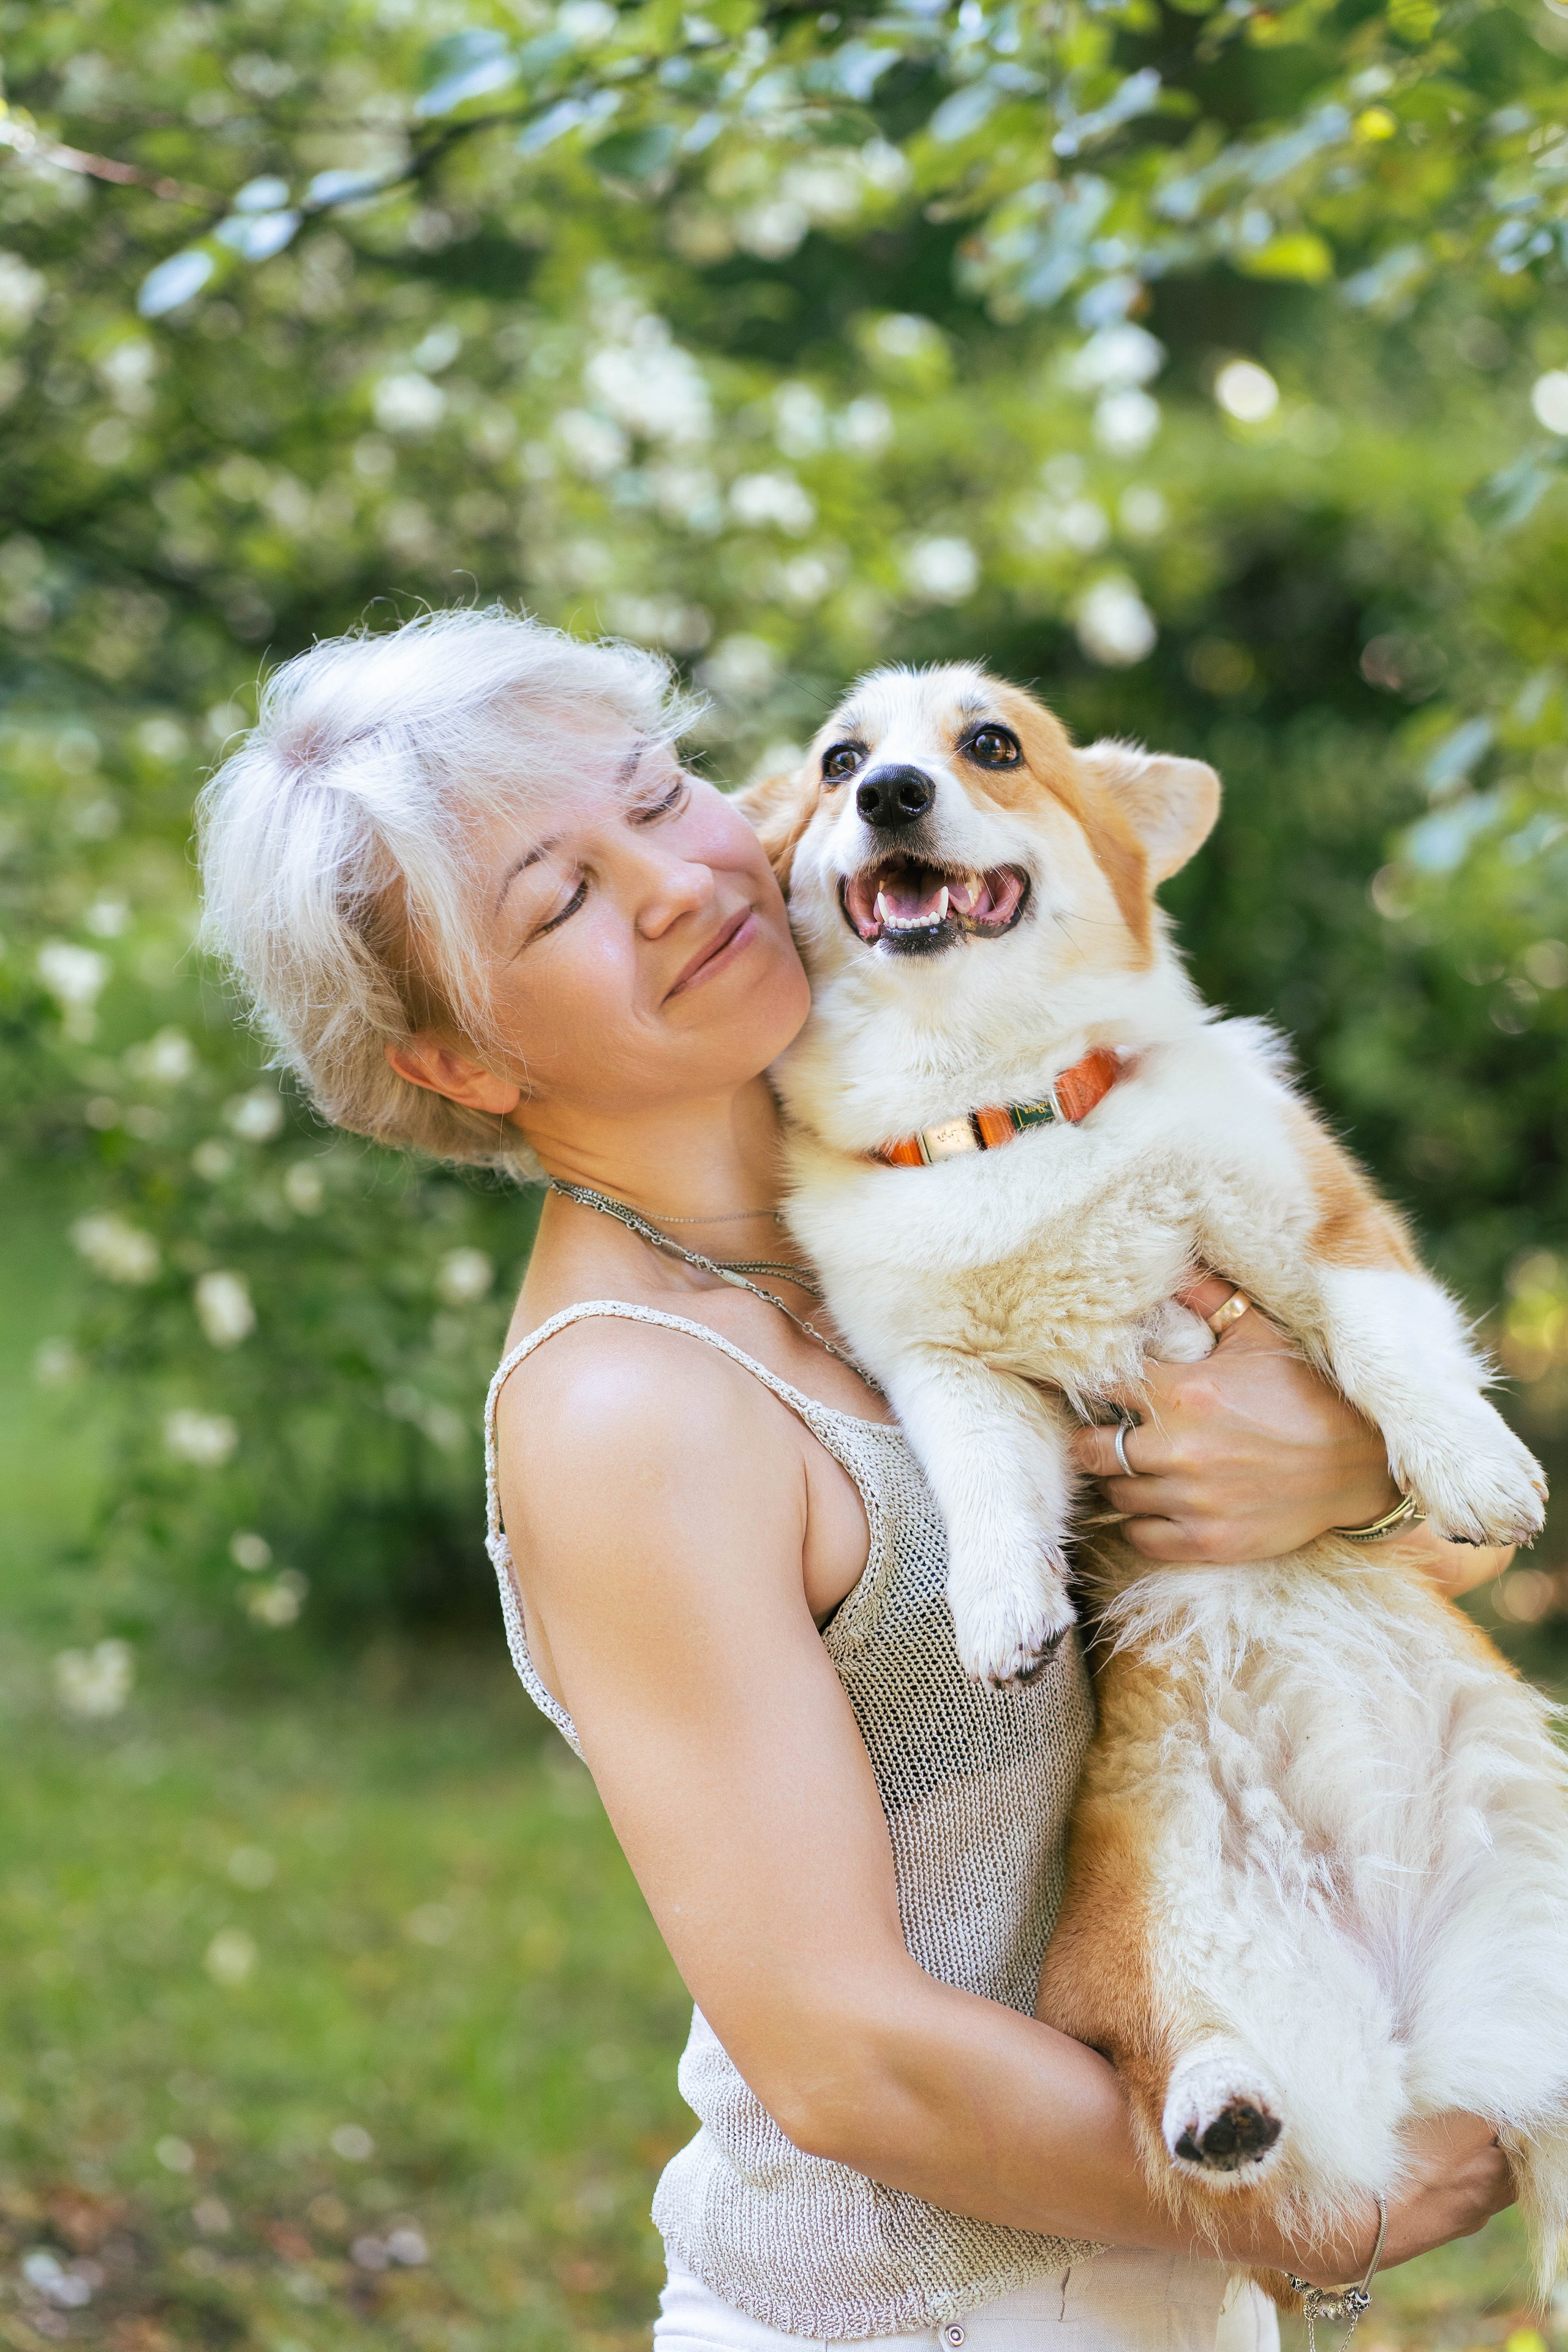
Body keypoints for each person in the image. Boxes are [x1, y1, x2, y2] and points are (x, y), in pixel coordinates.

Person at [199, 607, 1515, 2351]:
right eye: (560, 901)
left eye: (661, 796)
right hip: (913, 2318)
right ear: (457, 1061)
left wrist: (1334, 1474)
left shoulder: (965, 1171)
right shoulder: (635, 1407)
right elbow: (843, 2056)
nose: (674, 882)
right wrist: (1331, 2202)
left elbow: (1443, 1566)